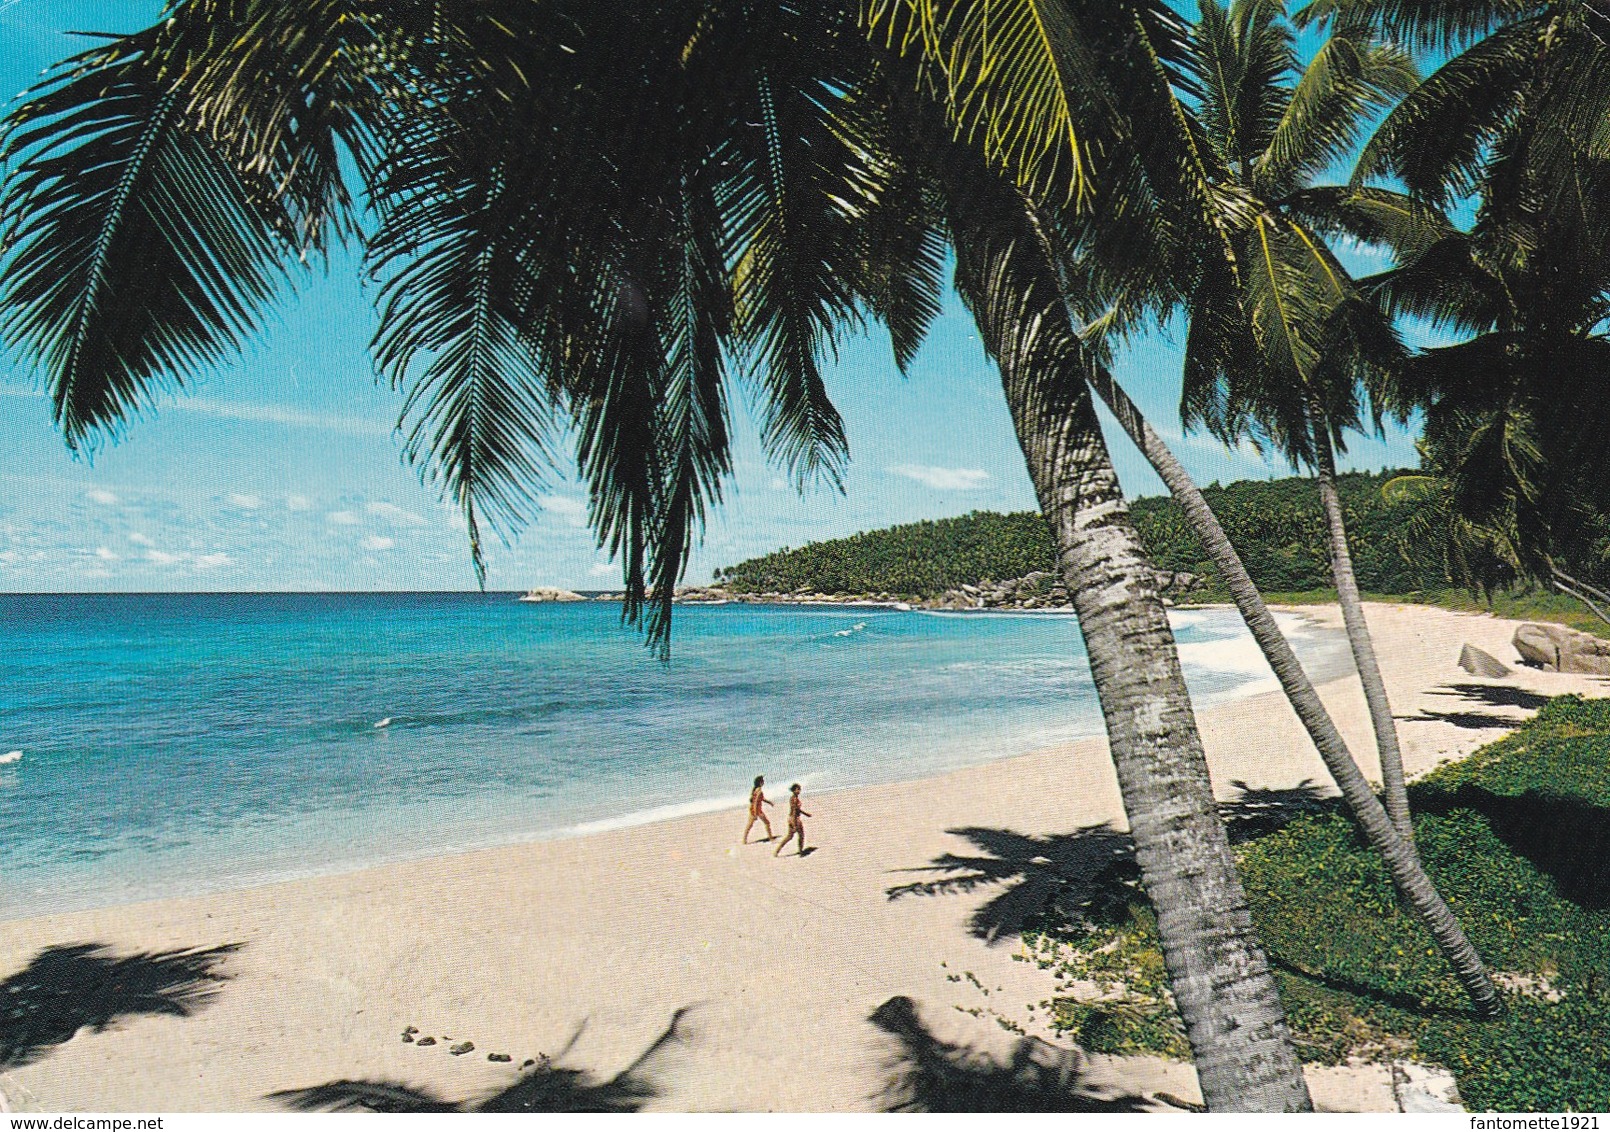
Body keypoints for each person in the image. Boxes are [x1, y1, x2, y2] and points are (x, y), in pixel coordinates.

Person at [773, 783, 811, 857]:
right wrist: (794, 823)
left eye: (799, 789)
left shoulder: (793, 798)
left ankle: (777, 851)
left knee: (789, 837)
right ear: (793, 790)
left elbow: (797, 809)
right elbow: (794, 811)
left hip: (791, 818)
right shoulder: (794, 799)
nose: (799, 791)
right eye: (797, 789)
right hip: (795, 819)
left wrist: (806, 814)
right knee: (801, 835)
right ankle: (801, 852)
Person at [742, 775, 774, 843]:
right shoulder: (759, 791)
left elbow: (758, 799)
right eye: (763, 781)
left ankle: (744, 840)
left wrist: (769, 802)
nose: (764, 782)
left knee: (750, 825)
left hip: (753, 809)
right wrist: (756, 814)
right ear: (760, 782)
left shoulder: (755, 790)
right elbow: (756, 802)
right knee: (767, 823)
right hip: (757, 810)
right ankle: (771, 838)